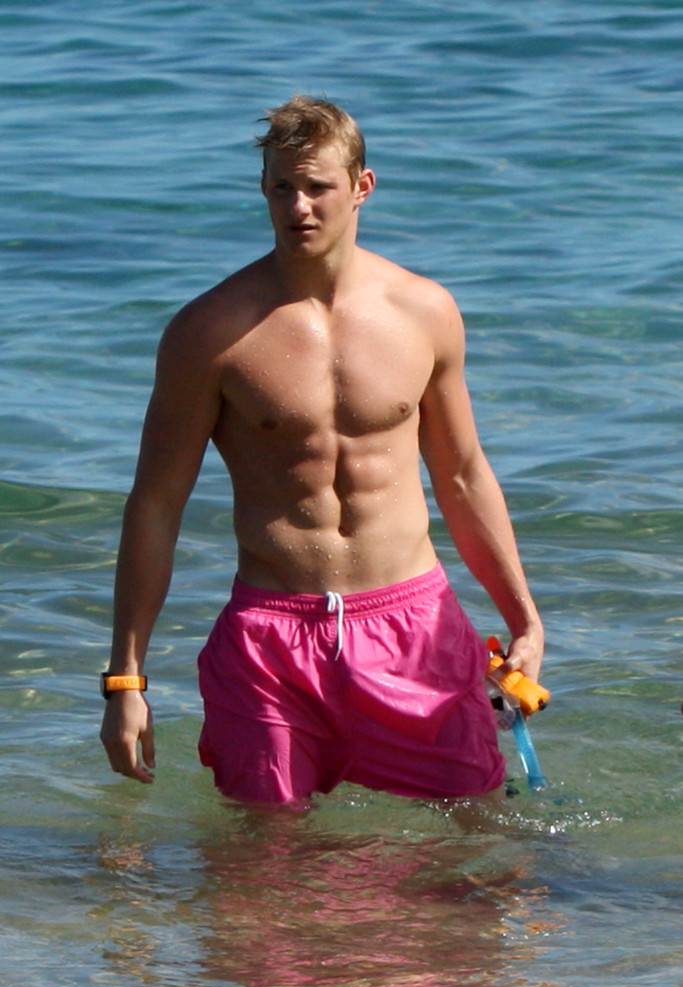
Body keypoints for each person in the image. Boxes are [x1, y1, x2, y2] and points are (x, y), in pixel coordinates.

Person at [100, 95, 544, 804]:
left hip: (413, 623)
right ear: (262, 188)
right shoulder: (209, 332)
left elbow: (462, 476)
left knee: (477, 837)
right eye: (281, 186)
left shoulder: (424, 312)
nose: (297, 206)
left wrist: (523, 619)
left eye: (317, 186)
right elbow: (155, 505)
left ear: (361, 187)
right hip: (271, 637)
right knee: (263, 859)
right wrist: (126, 679)